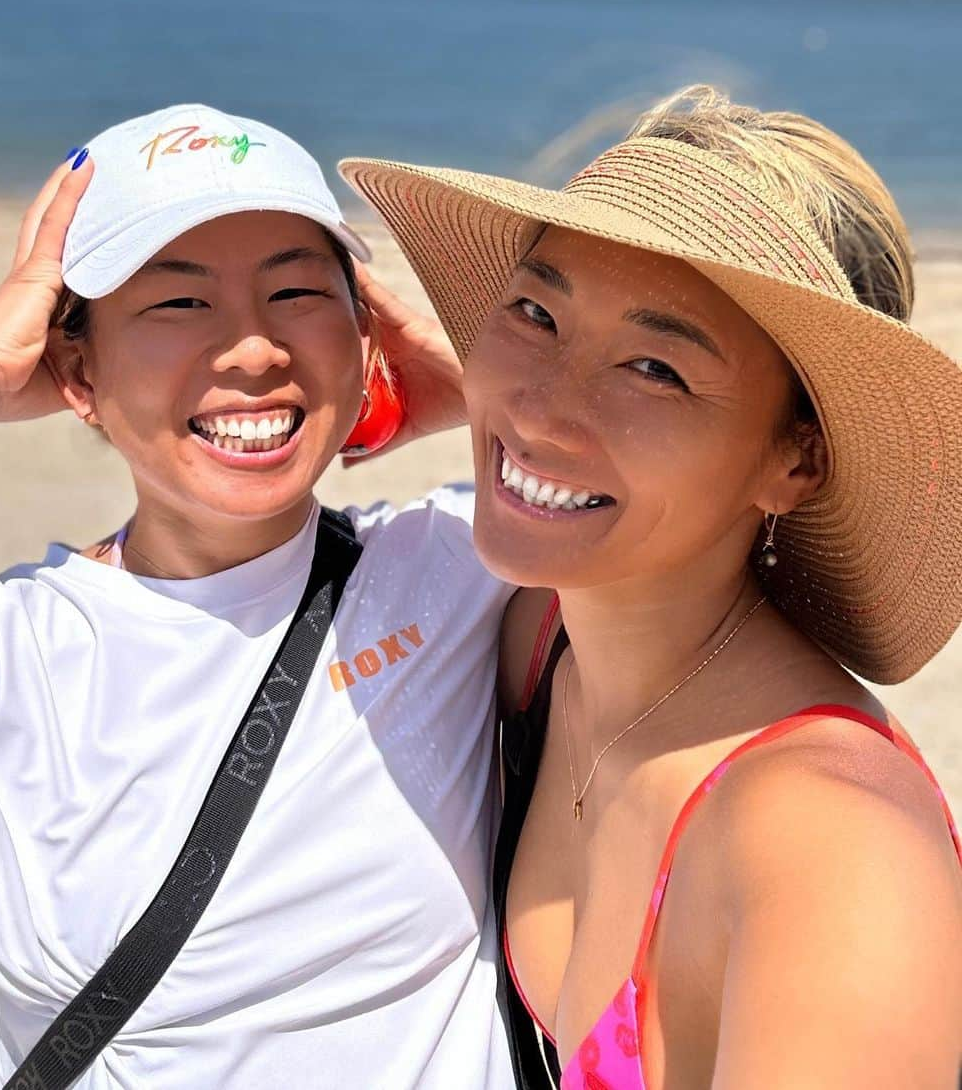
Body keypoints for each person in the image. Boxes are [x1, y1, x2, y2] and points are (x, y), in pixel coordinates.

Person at [339, 86, 962, 1088]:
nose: (544, 409)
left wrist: (526, 433)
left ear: (798, 464)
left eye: (656, 369)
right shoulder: (540, 642)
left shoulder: (832, 850)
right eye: (535, 312)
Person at [0, 104, 516, 1088]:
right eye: (180, 304)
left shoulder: (462, 571)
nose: (254, 349)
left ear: (363, 331)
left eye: (298, 293)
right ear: (75, 372)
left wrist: (474, 383)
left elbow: (732, 514)